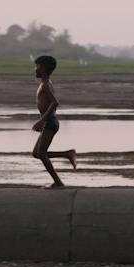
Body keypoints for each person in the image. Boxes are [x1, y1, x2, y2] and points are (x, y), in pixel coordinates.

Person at [31, 54, 77, 188]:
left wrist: (41, 121)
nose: (35, 69)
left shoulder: (46, 85)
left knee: (41, 153)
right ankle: (67, 154)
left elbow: (55, 103)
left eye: (37, 66)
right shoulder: (44, 83)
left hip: (50, 123)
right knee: (36, 153)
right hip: (48, 122)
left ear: (43, 69)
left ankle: (58, 182)